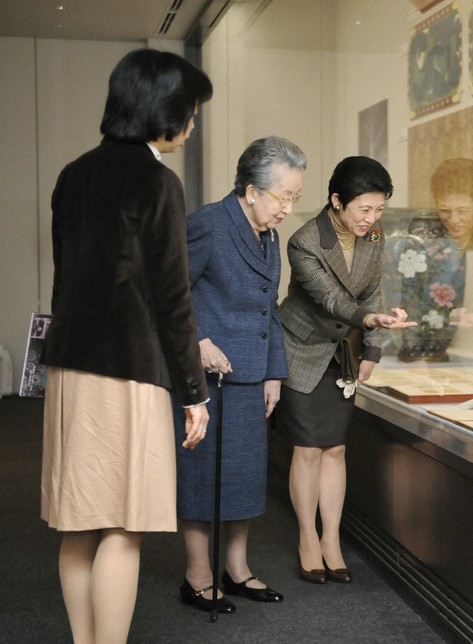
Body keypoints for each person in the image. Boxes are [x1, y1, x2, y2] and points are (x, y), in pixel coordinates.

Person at [40, 48, 213, 644]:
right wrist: (195, 393)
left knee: (78, 524)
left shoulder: (71, 175)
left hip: (69, 366)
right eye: (190, 110)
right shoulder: (157, 182)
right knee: (122, 525)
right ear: (163, 108)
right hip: (129, 370)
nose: (192, 123)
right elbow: (173, 300)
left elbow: (66, 282)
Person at [174, 136, 306, 613]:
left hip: (251, 378)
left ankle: (237, 569)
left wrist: (275, 373)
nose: (288, 208)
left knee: (245, 479)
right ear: (252, 190)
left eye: (295, 197)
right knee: (201, 476)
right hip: (207, 379)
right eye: (283, 196)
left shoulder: (267, 235)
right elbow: (171, 295)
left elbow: (268, 308)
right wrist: (201, 341)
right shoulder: (209, 224)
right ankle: (197, 576)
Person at [276, 156, 416, 584]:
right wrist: (371, 322)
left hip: (343, 353)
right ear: (337, 201)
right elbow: (331, 301)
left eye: (379, 210)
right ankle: (306, 538)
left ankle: (331, 539)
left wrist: (372, 349)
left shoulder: (374, 234)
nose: (372, 219)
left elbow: (373, 289)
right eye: (364, 209)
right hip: (302, 350)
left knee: (335, 448)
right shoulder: (304, 241)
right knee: (308, 449)